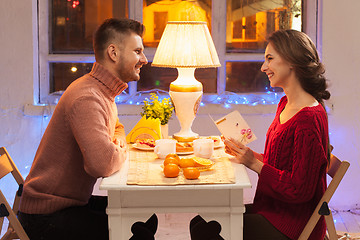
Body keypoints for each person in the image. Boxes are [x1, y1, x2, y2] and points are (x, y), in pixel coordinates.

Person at [18, 18, 148, 240]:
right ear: (113, 53)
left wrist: (116, 143)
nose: (144, 59)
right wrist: (120, 150)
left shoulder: (103, 91)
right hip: (46, 216)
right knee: (137, 230)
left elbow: (117, 126)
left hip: (68, 204)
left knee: (144, 217)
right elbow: (101, 164)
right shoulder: (88, 97)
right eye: (137, 51)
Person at [223, 29, 330, 240]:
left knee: (209, 228)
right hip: (271, 210)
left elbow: (299, 189)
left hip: (293, 224)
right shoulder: (285, 104)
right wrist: (245, 154)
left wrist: (253, 163)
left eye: (270, 59)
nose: (264, 67)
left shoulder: (308, 118)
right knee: (204, 221)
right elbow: (280, 165)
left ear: (291, 61)